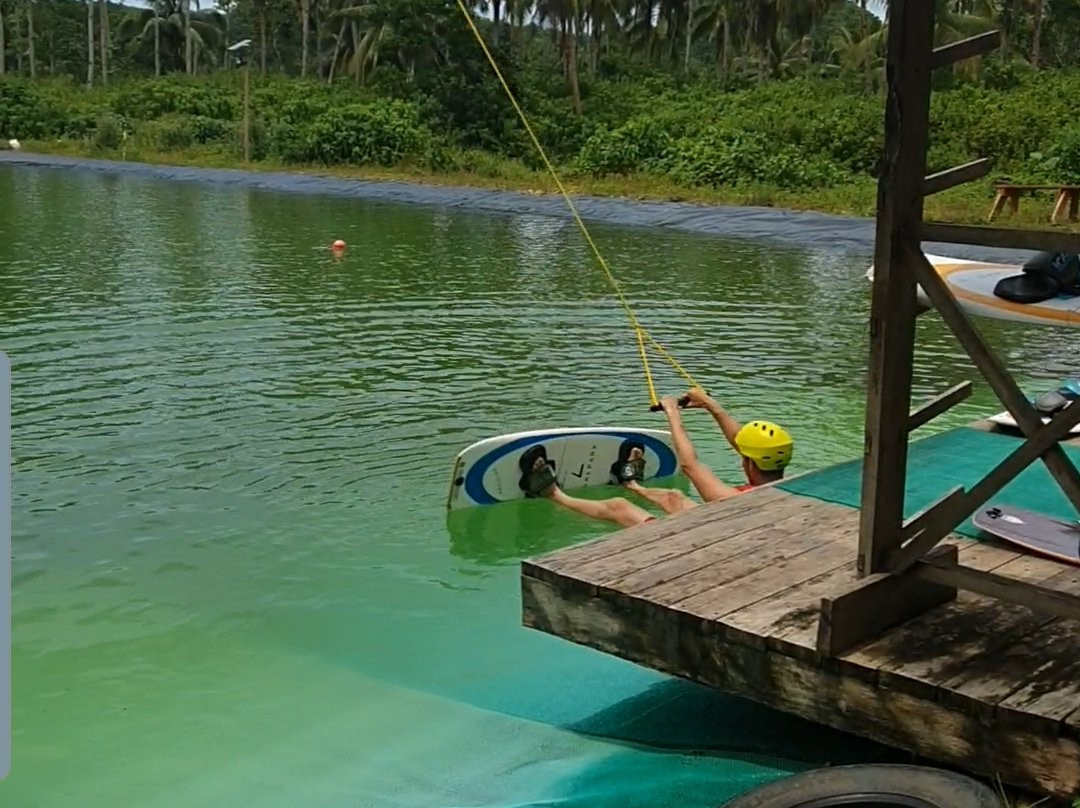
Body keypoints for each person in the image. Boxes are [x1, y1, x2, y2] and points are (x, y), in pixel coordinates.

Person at [517, 388, 794, 528]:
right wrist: (711, 406)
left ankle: (552, 494)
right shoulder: (792, 484)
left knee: (620, 508)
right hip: (731, 531)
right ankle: (631, 484)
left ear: (748, 461)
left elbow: (689, 465)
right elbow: (744, 445)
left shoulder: (730, 499)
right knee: (674, 497)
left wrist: (672, 411)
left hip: (707, 547)